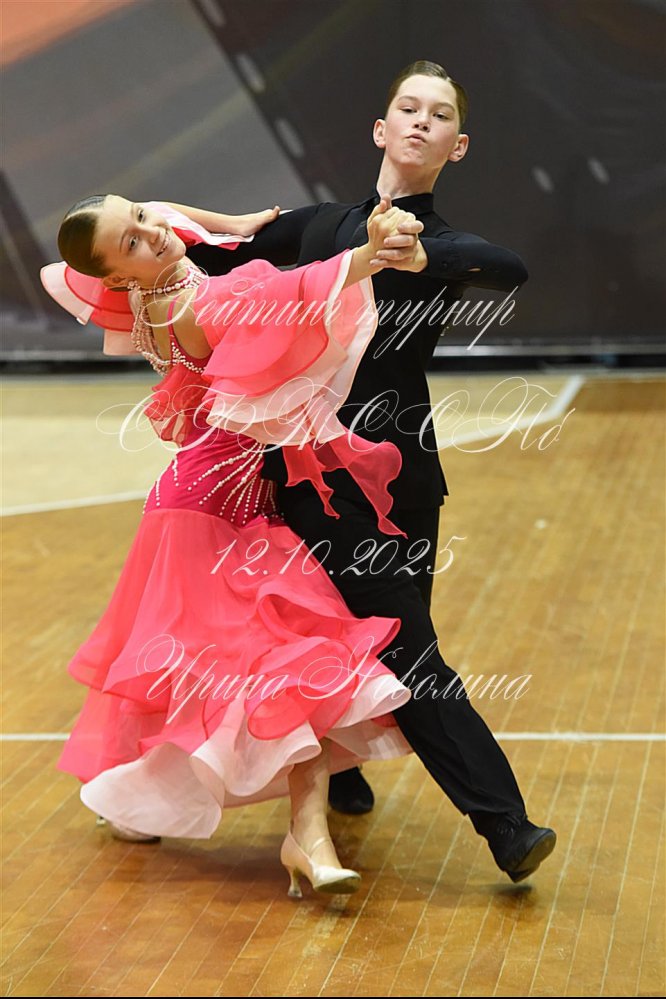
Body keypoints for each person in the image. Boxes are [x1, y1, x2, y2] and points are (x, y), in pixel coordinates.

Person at [186, 60, 557, 882]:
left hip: (405, 475)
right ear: (381, 130)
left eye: (440, 115)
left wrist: (419, 259)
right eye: (408, 108)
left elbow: (508, 268)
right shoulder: (320, 227)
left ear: (458, 146)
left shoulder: (444, 248)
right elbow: (212, 255)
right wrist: (159, 229)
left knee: (379, 641)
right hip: (316, 478)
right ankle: (506, 824)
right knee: (406, 647)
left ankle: (343, 775)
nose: (422, 121)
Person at [42, 193, 426, 898]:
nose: (155, 232)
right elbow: (291, 291)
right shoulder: (194, 303)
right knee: (278, 661)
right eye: (134, 241)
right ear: (118, 277)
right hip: (206, 515)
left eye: (143, 220)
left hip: (233, 504)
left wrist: (234, 225)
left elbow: (159, 210)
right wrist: (369, 256)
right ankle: (254, 825)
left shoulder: (149, 281)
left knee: (281, 663)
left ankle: (297, 836)